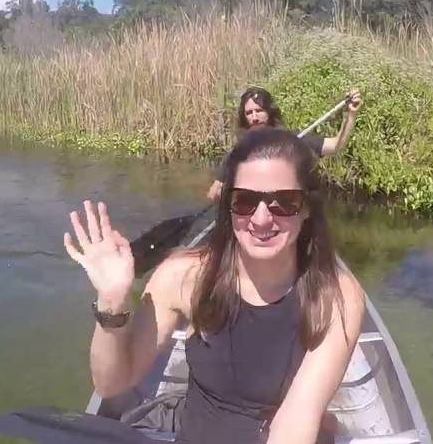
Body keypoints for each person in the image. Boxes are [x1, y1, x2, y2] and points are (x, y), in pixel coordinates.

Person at [63, 127, 366, 444]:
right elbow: (112, 384)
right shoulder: (183, 276)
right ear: (229, 206)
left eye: (283, 202)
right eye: (245, 201)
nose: (261, 219)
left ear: (306, 209)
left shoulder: (336, 298)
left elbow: (295, 422)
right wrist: (112, 301)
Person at [206, 87, 363, 202]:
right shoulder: (238, 152)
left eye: (259, 111)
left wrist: (351, 114)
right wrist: (221, 192)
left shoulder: (291, 140)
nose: (254, 117)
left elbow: (336, 145)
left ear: (269, 112)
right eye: (249, 113)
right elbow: (213, 194)